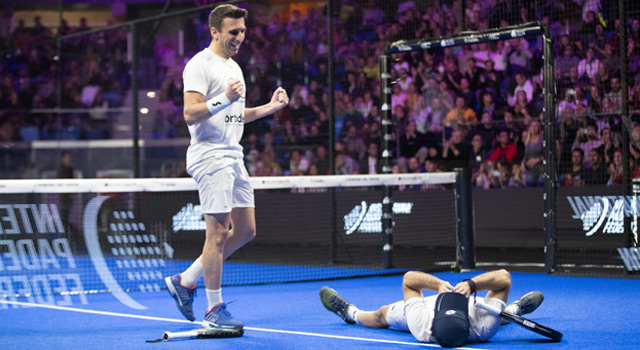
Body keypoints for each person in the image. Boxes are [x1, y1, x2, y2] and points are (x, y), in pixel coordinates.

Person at [164, 4, 289, 332]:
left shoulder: (235, 67)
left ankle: (185, 279)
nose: (240, 37)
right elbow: (190, 114)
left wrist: (270, 108)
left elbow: (235, 114)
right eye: (233, 31)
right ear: (215, 31)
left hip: (233, 155)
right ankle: (214, 309)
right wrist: (223, 98)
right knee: (217, 233)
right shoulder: (198, 65)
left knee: (246, 230)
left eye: (243, 31)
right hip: (210, 156)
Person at [319, 270, 544, 347]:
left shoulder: (421, 325)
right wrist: (471, 285)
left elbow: (409, 280)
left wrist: (436, 285)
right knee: (499, 317)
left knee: (382, 314)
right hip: (473, 310)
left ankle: (349, 312)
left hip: (427, 310)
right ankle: (515, 309)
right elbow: (504, 278)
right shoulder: (482, 327)